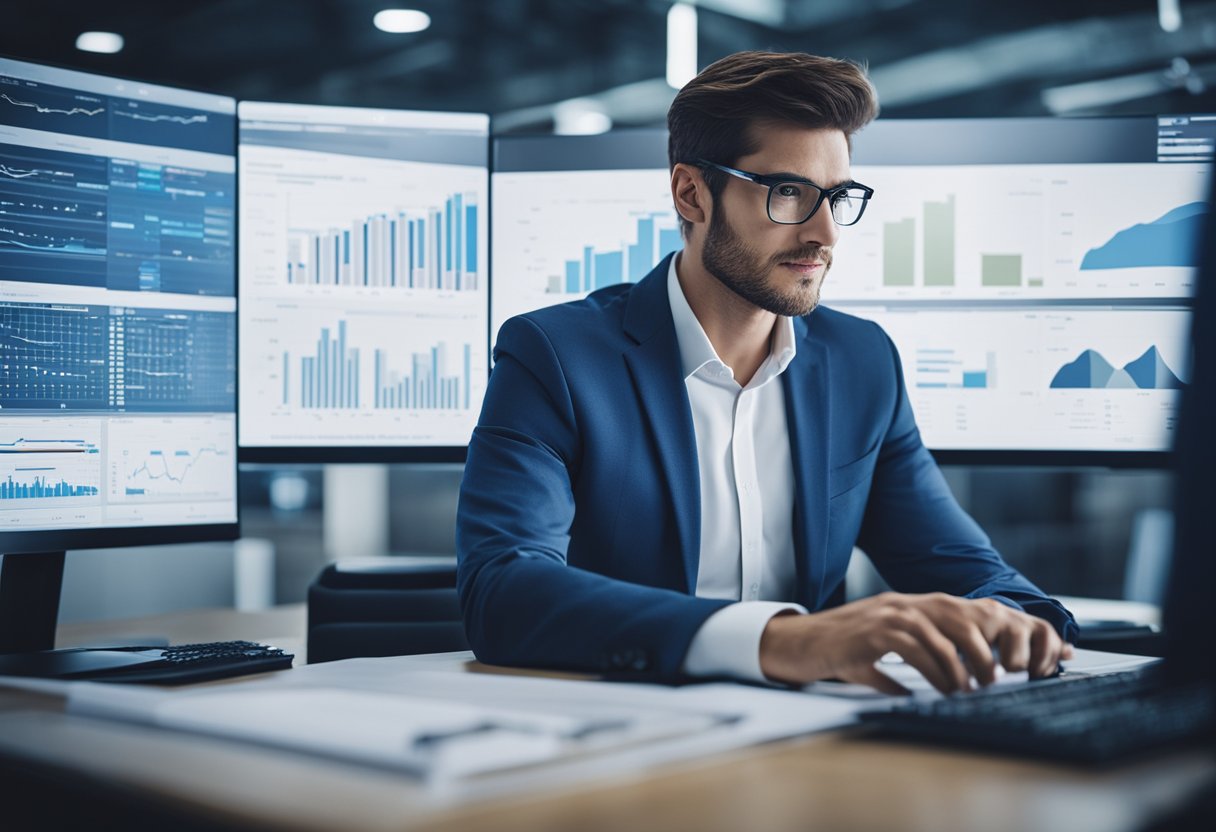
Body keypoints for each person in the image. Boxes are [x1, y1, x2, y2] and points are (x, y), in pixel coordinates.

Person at [457, 51, 1076, 695]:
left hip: (806, 741)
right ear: (691, 193)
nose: (825, 234)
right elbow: (502, 590)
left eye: (838, 198)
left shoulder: (862, 363)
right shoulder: (554, 354)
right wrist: (780, 639)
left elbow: (966, 568)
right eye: (790, 193)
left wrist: (1020, 625)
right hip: (616, 732)